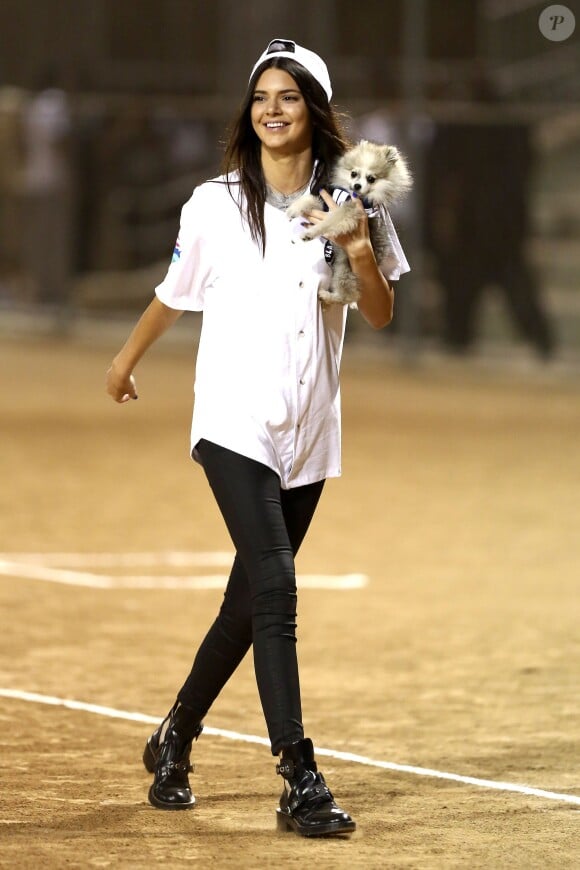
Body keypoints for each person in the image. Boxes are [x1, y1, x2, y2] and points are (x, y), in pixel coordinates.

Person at [106, 38, 409, 838]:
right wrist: (125, 359)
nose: (273, 110)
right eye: (262, 97)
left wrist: (356, 251)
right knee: (276, 588)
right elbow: (174, 294)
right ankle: (298, 774)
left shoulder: (356, 201)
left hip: (309, 429)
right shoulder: (213, 202)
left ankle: (175, 734)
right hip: (233, 418)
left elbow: (377, 313)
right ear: (250, 111)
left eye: (290, 97)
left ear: (315, 109)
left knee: (248, 601)